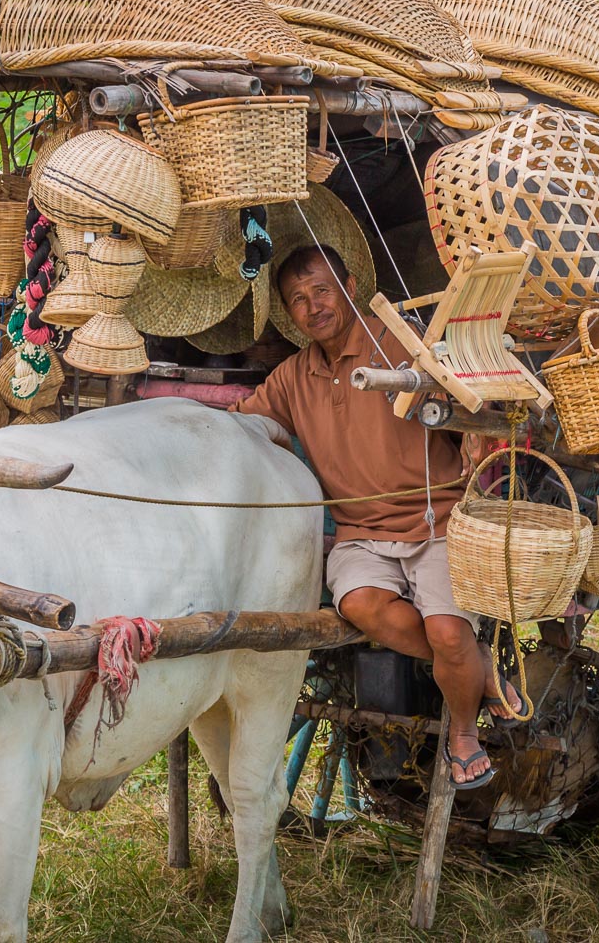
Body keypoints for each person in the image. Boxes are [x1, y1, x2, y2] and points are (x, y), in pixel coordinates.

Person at [231, 244, 522, 789]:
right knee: (364, 606)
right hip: (361, 536)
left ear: (350, 284)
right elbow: (240, 423)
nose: (313, 306)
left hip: (437, 521)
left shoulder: (401, 347)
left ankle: (463, 734)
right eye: (297, 299)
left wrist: (475, 436)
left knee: (447, 631)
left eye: (321, 290)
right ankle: (479, 670)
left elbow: (473, 397)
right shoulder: (293, 377)